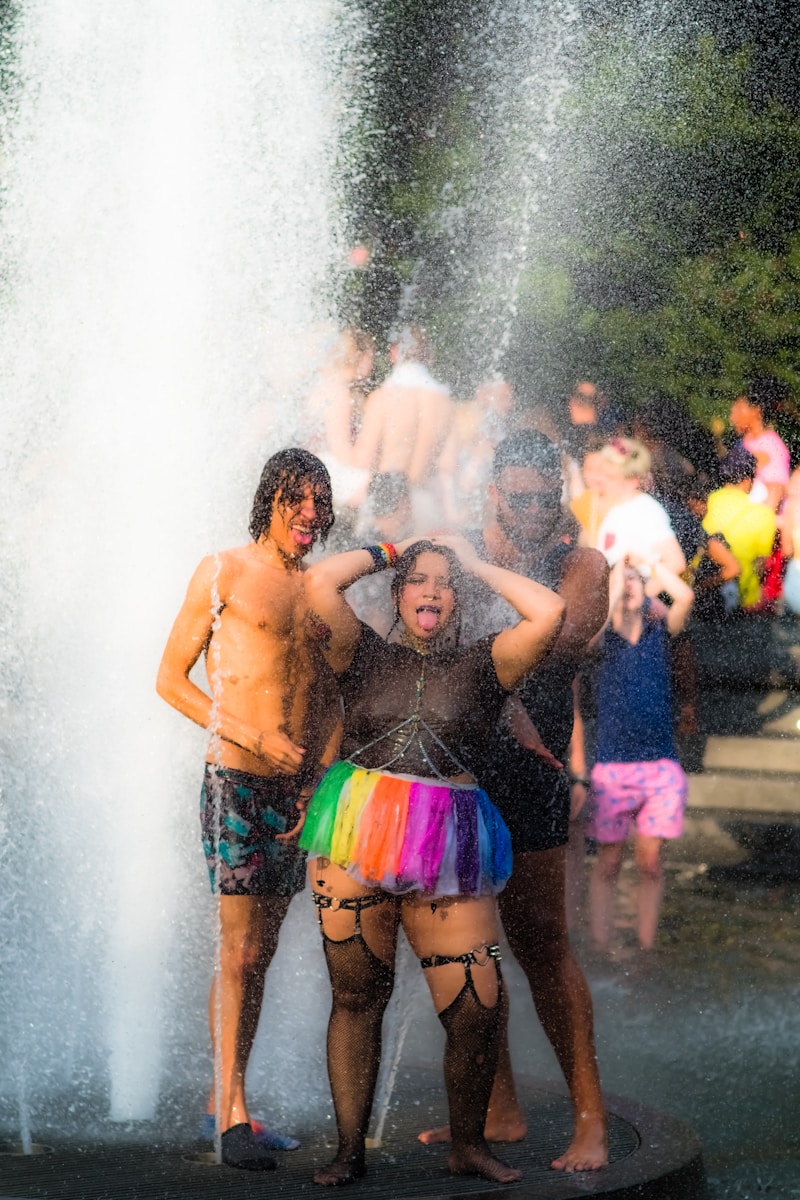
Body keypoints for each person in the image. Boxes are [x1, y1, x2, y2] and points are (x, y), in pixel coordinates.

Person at [298, 535, 565, 1186]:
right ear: (398, 592)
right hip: (355, 832)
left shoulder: (487, 665)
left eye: (445, 584)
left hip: (449, 841)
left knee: (478, 1006)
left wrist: (471, 563)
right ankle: (348, 1151)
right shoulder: (359, 651)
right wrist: (389, 547)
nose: (432, 590)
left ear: (459, 600)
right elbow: (319, 584)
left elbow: (549, 614)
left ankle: (468, 1146)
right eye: (418, 580)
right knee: (358, 993)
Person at [422, 431, 610, 1172]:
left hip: (531, 773)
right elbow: (420, 621)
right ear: (494, 493)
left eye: (546, 496)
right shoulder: (462, 551)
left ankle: (590, 1118)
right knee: (468, 944)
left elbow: (560, 631)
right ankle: (496, 1110)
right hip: (462, 766)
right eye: (521, 496)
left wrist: (469, 579)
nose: (535, 509)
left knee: (542, 945)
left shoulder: (581, 563)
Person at [156, 449, 341, 1171]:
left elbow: (333, 697)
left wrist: (320, 778)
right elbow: (170, 680)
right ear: (269, 500)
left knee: (258, 955)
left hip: (295, 793)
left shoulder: (321, 592)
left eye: (320, 503)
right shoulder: (223, 572)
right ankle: (232, 1117)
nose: (309, 515)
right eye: (297, 500)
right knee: (236, 950)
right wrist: (250, 732)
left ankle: (225, 1098)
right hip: (235, 776)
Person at [587, 554, 694, 952]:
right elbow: (596, 622)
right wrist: (616, 580)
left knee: (649, 863)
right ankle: (600, 943)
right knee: (610, 862)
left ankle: (645, 947)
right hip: (613, 766)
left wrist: (648, 563)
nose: (629, 585)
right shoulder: (604, 638)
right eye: (622, 581)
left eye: (637, 581)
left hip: (660, 766)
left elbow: (683, 595)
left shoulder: (660, 631)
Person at [352, 325, 454, 527]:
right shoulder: (445, 402)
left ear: (394, 353)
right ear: (428, 356)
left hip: (386, 505)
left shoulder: (382, 397)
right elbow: (448, 465)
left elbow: (364, 458)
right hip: (424, 503)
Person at [592, 438, 686, 579]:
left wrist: (645, 597)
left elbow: (676, 563)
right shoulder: (616, 508)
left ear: (632, 481)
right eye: (602, 473)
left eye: (610, 477)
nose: (601, 480)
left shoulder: (645, 510)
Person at [702, 445, 777, 612]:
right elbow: (762, 562)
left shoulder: (711, 502)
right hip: (746, 600)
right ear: (746, 481)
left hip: (712, 593)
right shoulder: (764, 515)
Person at [729, 377, 790, 512]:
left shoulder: (770, 445)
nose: (732, 416)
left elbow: (775, 492)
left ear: (755, 410)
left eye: (739, 407)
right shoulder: (742, 443)